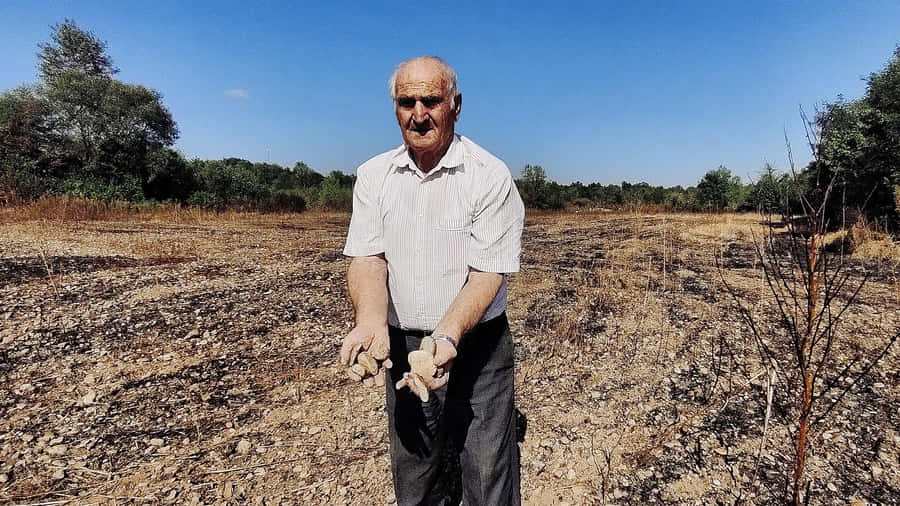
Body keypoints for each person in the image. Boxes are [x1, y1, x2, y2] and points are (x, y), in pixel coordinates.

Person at [340, 56, 525, 505]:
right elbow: (368, 257)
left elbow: (487, 273)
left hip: (479, 345)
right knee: (415, 469)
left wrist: (446, 336)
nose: (418, 114)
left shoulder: (489, 175)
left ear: (455, 105)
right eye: (407, 102)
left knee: (487, 469)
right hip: (403, 344)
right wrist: (370, 322)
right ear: (395, 109)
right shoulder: (374, 175)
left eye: (431, 101)